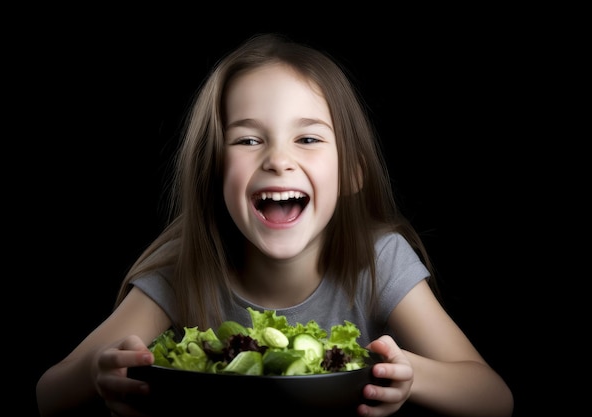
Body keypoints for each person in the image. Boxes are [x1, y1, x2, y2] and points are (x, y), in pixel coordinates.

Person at [36, 32, 514, 417]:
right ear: (213, 173)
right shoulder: (183, 268)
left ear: (351, 172)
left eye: (307, 138)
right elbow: (48, 392)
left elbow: (493, 395)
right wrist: (97, 375)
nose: (279, 160)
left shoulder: (378, 260)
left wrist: (406, 374)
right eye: (247, 140)